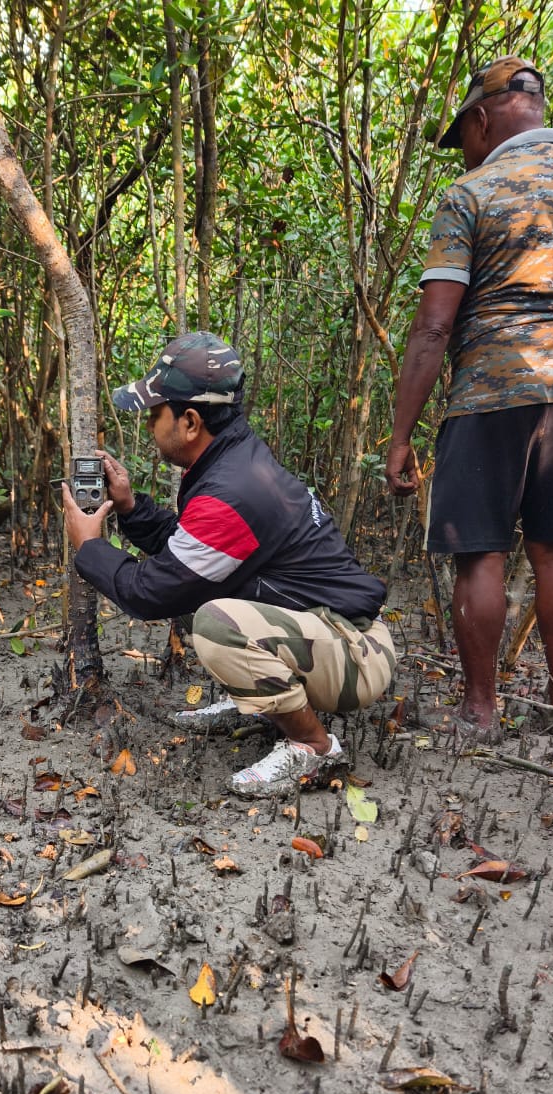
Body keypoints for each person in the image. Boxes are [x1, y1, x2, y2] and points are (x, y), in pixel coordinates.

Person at [62, 331, 396, 798]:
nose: (150, 424)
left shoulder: (229, 492)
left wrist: (87, 547)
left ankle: (313, 746)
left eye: (156, 413)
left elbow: (150, 592)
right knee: (210, 599)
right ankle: (261, 706)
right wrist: (132, 508)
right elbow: (187, 557)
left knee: (216, 624)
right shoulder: (233, 462)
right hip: (333, 632)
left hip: (356, 653)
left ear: (191, 421)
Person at [385, 56, 553, 741]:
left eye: (465, 135)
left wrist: (401, 434)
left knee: (479, 552)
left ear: (482, 120)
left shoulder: (470, 193)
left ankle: (480, 710)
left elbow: (434, 324)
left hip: (490, 390)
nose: (466, 150)